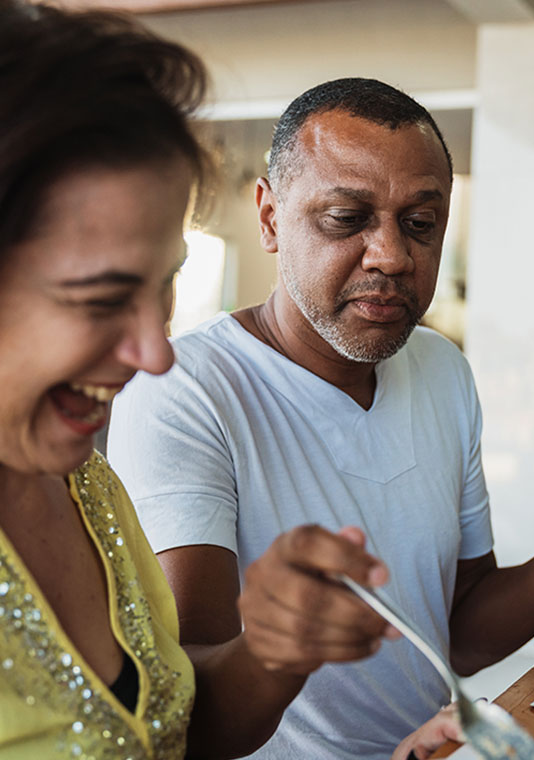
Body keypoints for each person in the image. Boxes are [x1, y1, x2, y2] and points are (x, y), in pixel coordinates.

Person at [107, 77, 534, 759]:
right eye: (346, 218)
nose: (391, 255)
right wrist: (278, 643)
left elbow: (462, 632)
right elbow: (193, 711)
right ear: (269, 218)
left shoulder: (442, 369)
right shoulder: (185, 390)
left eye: (420, 224)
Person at [0, 8, 445, 759]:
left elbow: (178, 731)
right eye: (102, 298)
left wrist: (274, 649)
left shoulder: (86, 489)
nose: (155, 353)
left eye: (165, 283)